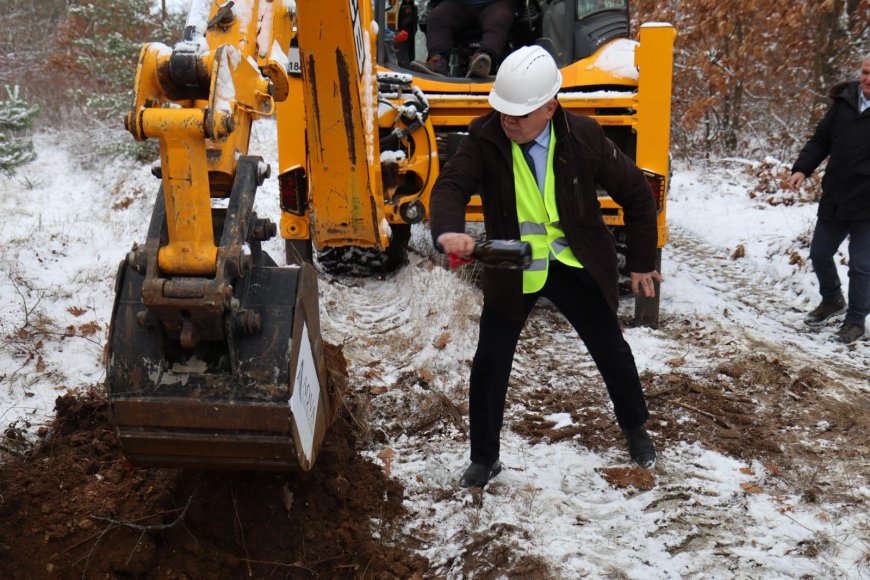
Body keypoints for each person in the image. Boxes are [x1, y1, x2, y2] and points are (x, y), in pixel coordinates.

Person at [429, 45, 662, 488]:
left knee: (611, 350)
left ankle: (635, 429)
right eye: (502, 110)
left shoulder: (584, 136)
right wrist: (448, 230)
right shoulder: (485, 136)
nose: (508, 121)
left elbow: (636, 194)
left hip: (573, 258)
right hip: (511, 257)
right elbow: (452, 185)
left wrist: (640, 263)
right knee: (490, 362)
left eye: (519, 113)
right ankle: (484, 458)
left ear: (550, 108)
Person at [787, 55, 870, 344]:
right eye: (865, 72)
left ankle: (856, 321)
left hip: (868, 206)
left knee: (861, 265)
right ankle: (833, 299)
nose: (868, 79)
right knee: (820, 253)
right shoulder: (844, 103)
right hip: (837, 196)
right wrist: (802, 169)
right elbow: (821, 139)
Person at [410, 0, 514, 78]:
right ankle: (438, 62)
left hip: (497, 3)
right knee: (437, 17)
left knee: (498, 20)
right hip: (458, 4)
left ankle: (482, 61)